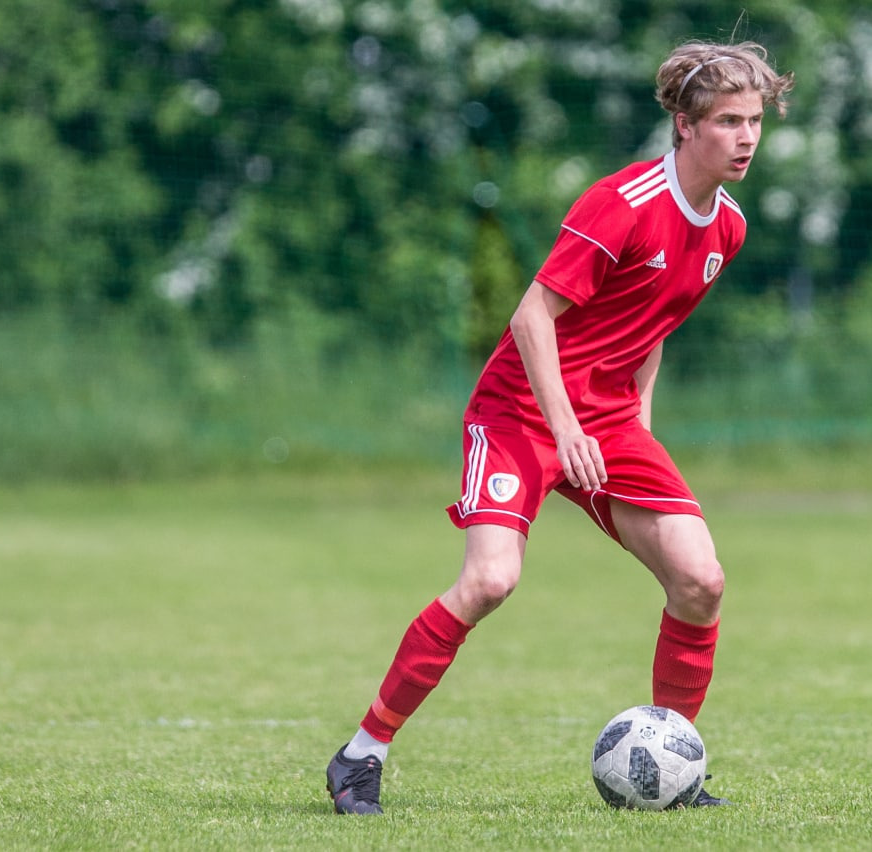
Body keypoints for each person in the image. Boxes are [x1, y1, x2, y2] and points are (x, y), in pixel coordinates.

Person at [326, 39, 793, 815]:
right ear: (684, 124)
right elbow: (531, 317)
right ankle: (361, 754)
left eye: (754, 121)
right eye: (727, 121)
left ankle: (671, 764)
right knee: (490, 581)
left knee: (700, 581)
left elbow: (653, 321)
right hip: (520, 410)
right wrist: (567, 426)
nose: (746, 138)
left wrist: (638, 423)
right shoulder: (624, 203)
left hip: (607, 421)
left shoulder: (728, 227)